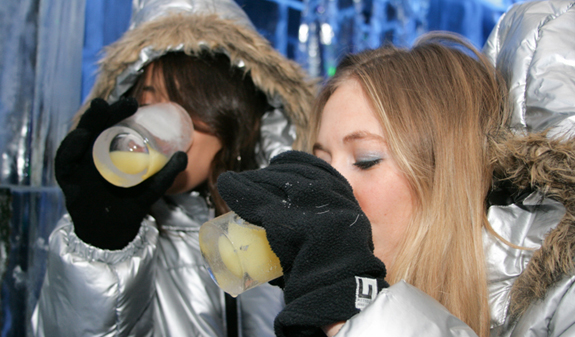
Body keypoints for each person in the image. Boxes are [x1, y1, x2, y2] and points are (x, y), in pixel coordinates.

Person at [214, 22, 575, 337]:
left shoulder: (561, 304)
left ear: (449, 177)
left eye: (366, 160)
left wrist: (358, 310)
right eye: (319, 161)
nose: (325, 186)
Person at [31, 0, 316, 336]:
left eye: (186, 104)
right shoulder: (112, 227)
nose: (158, 122)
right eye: (149, 103)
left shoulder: (286, 221)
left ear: (234, 115)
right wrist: (102, 250)